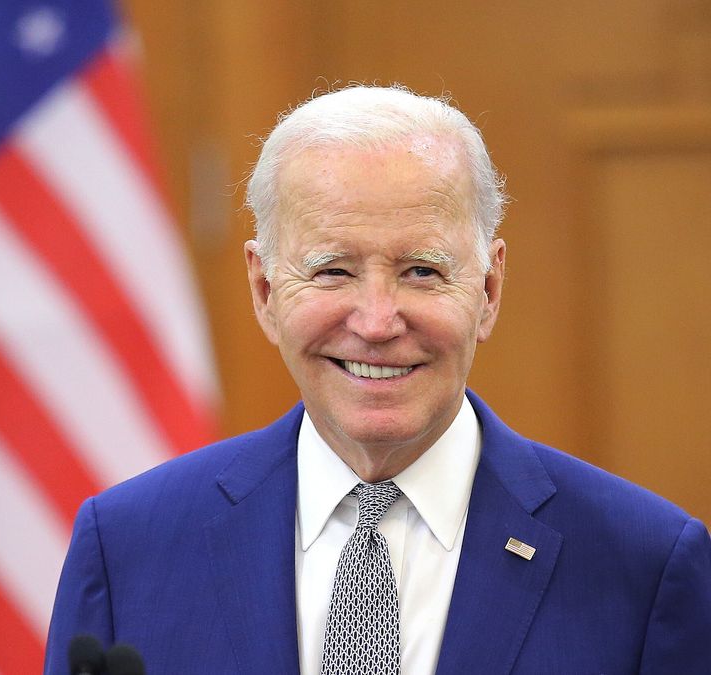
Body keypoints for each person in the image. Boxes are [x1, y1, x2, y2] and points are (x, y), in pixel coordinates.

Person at [43, 85, 711, 674]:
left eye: (422, 270)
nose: (378, 320)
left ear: (490, 288)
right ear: (264, 288)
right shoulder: (130, 546)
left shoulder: (645, 564)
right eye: (333, 270)